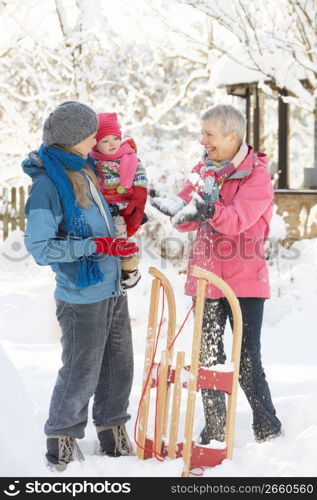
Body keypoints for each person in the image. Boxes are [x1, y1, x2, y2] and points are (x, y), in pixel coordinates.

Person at [149, 104, 282, 444]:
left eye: (208, 134)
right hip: (207, 280)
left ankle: (268, 427)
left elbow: (238, 219)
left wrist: (209, 208)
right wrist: (174, 208)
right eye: (202, 133)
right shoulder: (203, 169)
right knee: (207, 357)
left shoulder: (256, 175)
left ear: (231, 136)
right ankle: (215, 429)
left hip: (245, 281)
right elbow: (189, 215)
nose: (202, 140)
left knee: (247, 360)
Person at [22, 101, 138, 471]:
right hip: (79, 295)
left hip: (110, 287)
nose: (97, 138)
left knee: (119, 367)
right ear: (73, 138)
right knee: (80, 369)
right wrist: (92, 246)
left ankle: (112, 430)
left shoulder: (85, 169)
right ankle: (62, 438)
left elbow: (100, 221)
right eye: (91, 134)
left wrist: (118, 242)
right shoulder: (47, 186)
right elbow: (40, 248)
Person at [90, 112, 148, 289]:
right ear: (96, 144)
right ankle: (109, 268)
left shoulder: (128, 156)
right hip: (103, 205)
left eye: (115, 138)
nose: (112, 144)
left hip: (124, 205)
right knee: (105, 239)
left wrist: (139, 194)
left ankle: (129, 270)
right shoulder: (93, 161)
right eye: (105, 141)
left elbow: (140, 176)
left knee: (122, 236)